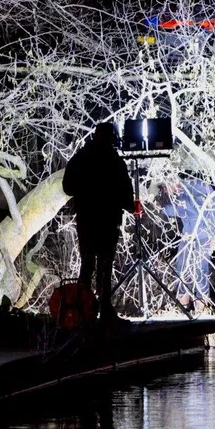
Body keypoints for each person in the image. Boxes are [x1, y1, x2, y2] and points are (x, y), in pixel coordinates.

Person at [62, 122, 134, 322]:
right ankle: (104, 309)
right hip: (108, 220)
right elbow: (126, 193)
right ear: (111, 137)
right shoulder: (114, 161)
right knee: (104, 265)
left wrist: (85, 192)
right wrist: (127, 204)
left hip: (86, 218)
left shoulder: (80, 158)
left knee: (87, 264)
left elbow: (67, 187)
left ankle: (82, 311)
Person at [160, 176, 215, 312]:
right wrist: (156, 207)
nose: (166, 192)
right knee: (181, 268)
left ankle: (200, 309)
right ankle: (183, 308)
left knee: (200, 270)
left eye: (166, 188)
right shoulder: (181, 195)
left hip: (204, 236)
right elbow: (177, 210)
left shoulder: (198, 186)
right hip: (188, 236)